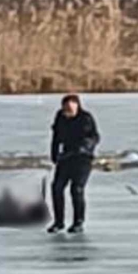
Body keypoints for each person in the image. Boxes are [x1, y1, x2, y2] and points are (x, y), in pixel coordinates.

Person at [48, 94, 100, 234]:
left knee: (76, 189)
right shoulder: (60, 117)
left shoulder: (85, 118)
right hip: (66, 157)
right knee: (57, 188)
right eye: (65, 108)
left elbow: (95, 137)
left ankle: (78, 222)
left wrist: (85, 146)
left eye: (71, 108)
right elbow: (56, 137)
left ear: (77, 106)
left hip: (83, 159)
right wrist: (54, 154)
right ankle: (59, 222)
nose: (68, 111)